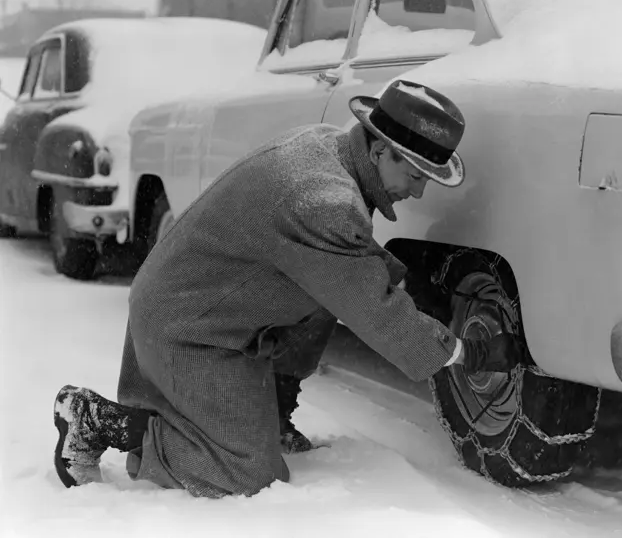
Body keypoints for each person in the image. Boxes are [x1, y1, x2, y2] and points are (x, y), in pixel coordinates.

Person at [53, 80, 528, 499]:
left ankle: (272, 413)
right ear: (381, 149)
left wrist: (413, 290)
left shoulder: (330, 146)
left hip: (206, 300)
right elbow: (375, 309)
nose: (419, 192)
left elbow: (350, 266)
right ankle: (101, 421)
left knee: (329, 294)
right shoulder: (322, 200)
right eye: (416, 176)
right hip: (189, 325)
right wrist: (466, 352)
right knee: (244, 476)